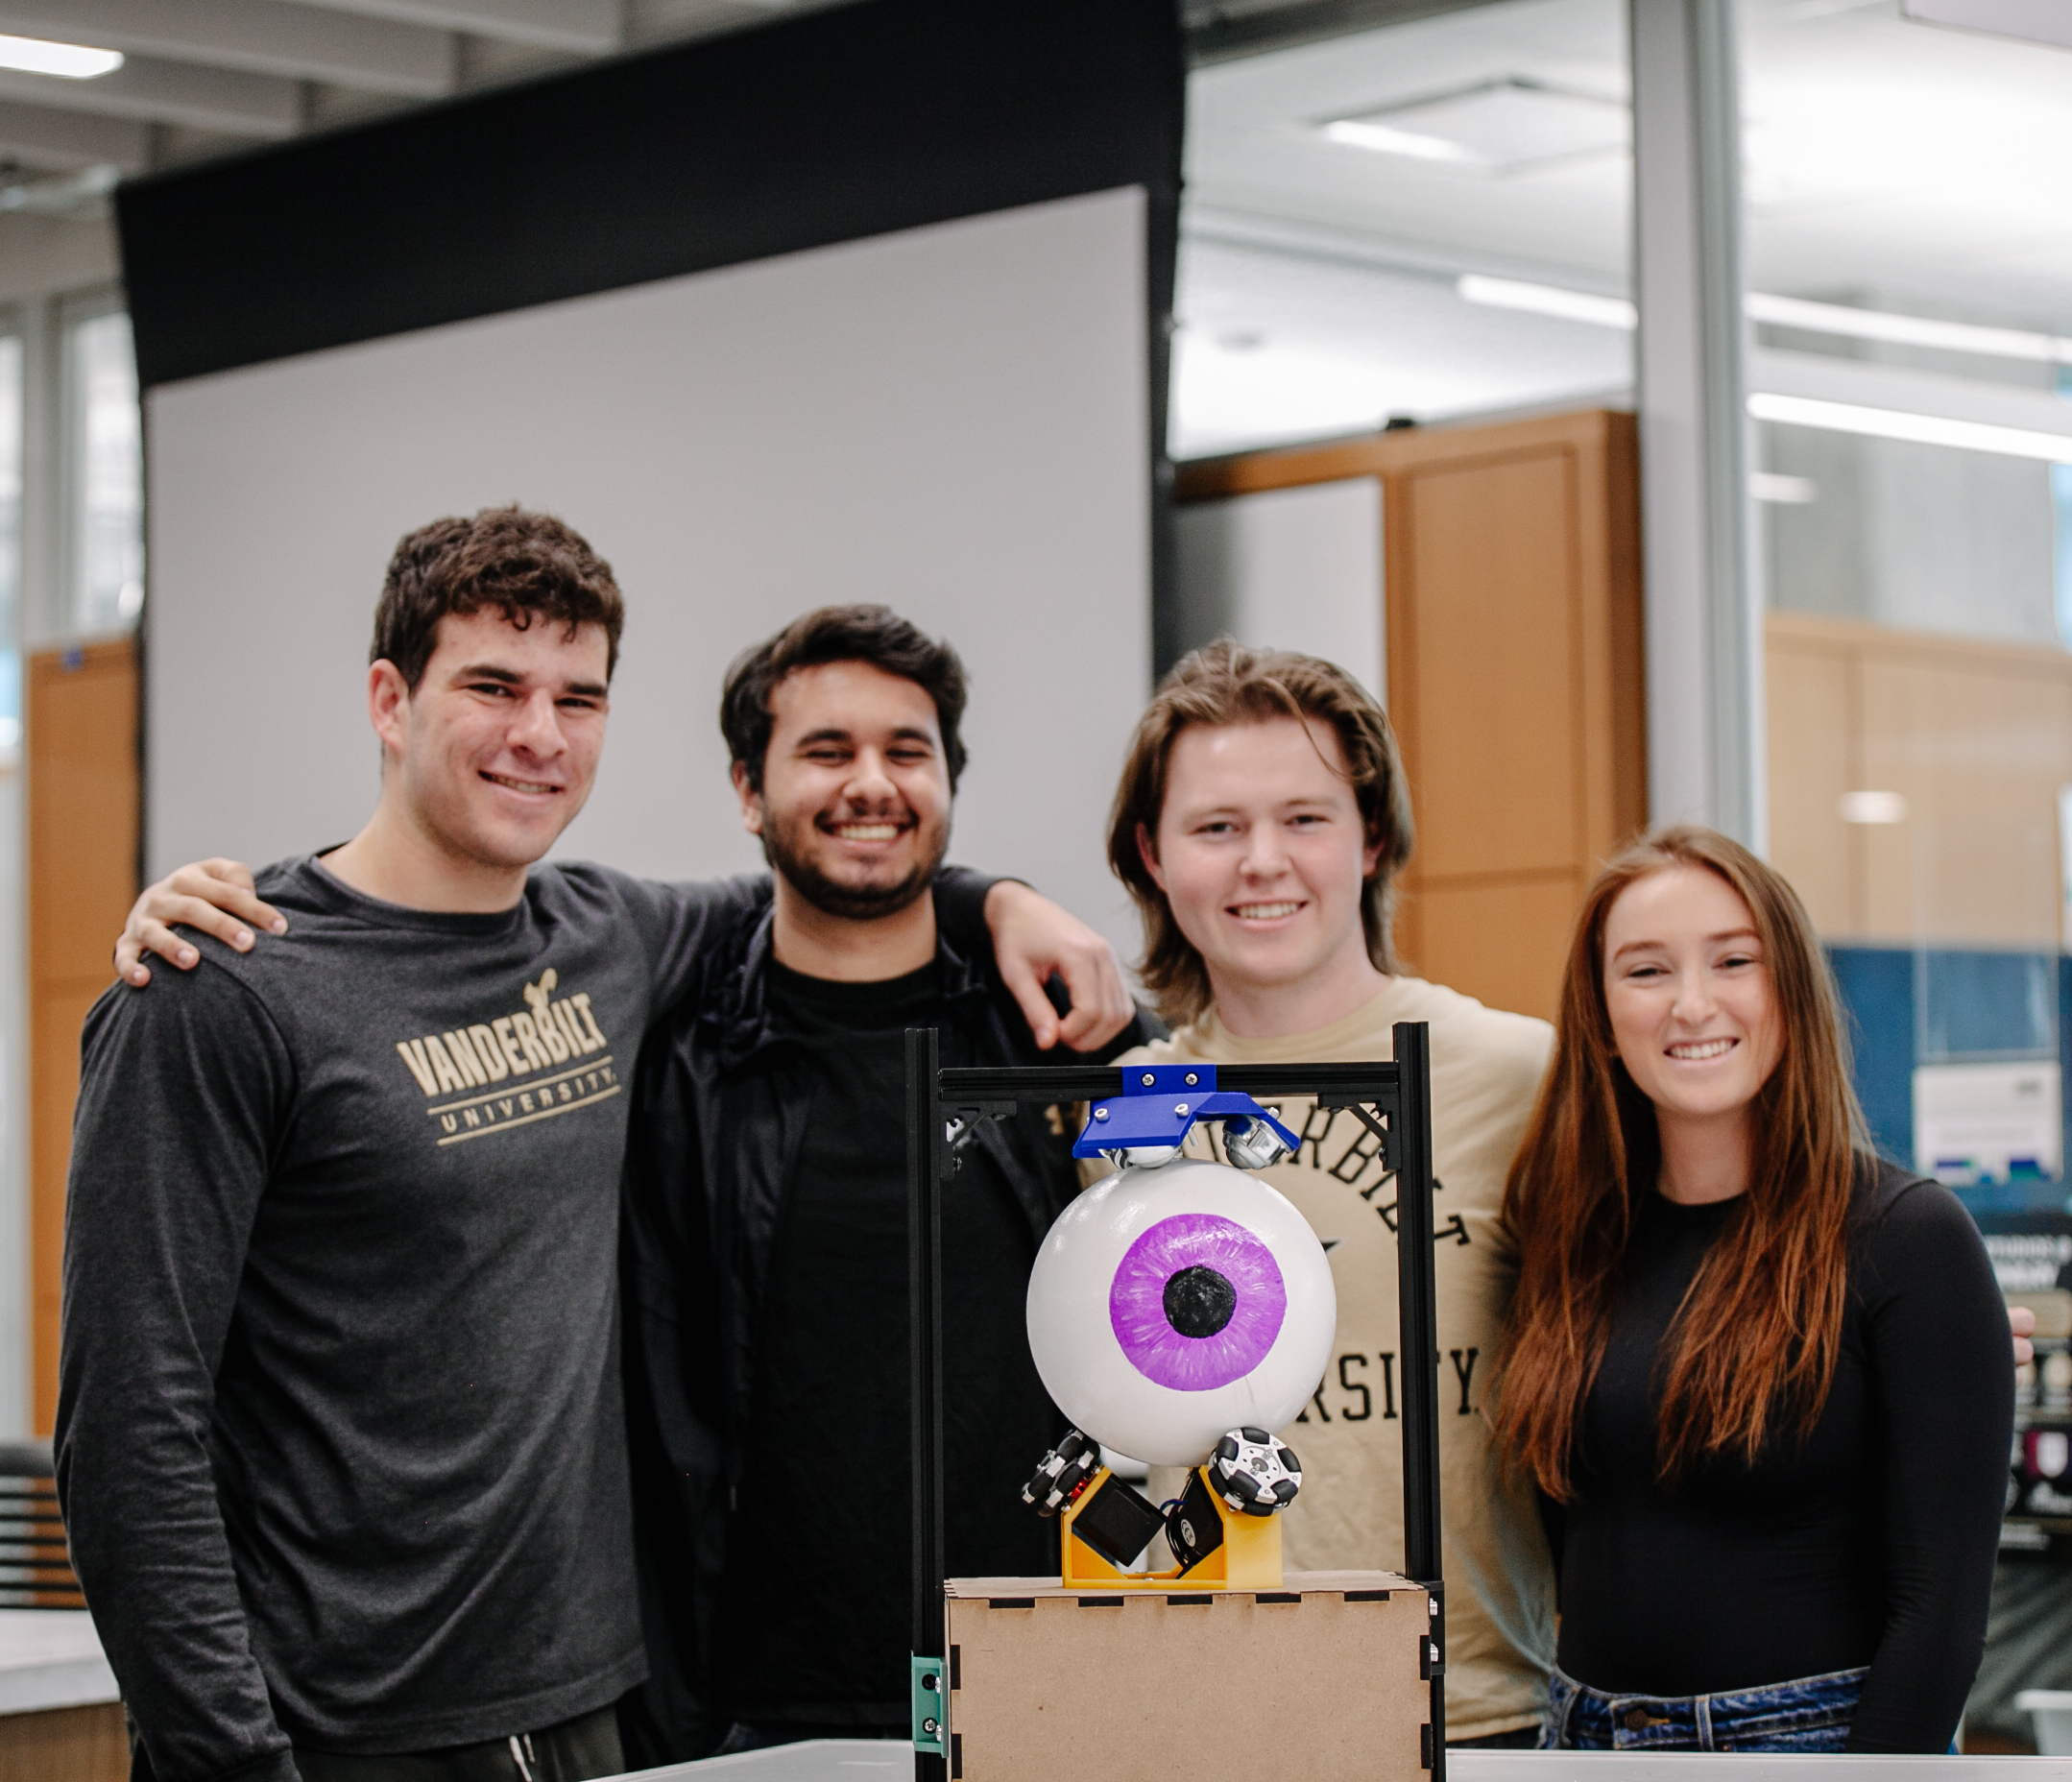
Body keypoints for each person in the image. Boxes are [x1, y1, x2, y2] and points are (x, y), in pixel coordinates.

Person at [75, 513, 1126, 1782]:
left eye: (579, 698)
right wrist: (229, 1762)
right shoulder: (219, 989)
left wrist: (999, 898)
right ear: (389, 701)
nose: (539, 734)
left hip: (588, 1717)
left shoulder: (609, 935)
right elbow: (132, 1433)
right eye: (493, 687)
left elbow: (831, 876)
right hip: (335, 1734)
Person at [614, 607, 1155, 1759]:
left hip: (1046, 1680)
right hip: (748, 1705)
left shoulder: (1064, 1037)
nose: (871, 783)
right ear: (748, 790)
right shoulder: (673, 1056)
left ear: (948, 782)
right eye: (826, 750)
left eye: (906, 751)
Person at [1099, 640, 1557, 1747]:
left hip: (1472, 1719)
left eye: (1304, 817)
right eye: (1216, 827)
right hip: (1199, 1719)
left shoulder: (1515, 1073)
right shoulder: (1122, 1109)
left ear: (1373, 840)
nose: (1263, 861)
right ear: (1152, 857)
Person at [1490, 826, 2014, 1754]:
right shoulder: (1572, 1236)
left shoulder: (1908, 1238)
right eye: (1646, 972)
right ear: (1603, 1020)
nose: (1693, 1005)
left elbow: (1940, 1617)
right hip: (1580, 1736)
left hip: (1809, 1741)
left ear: (1791, 994)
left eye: (1734, 960)